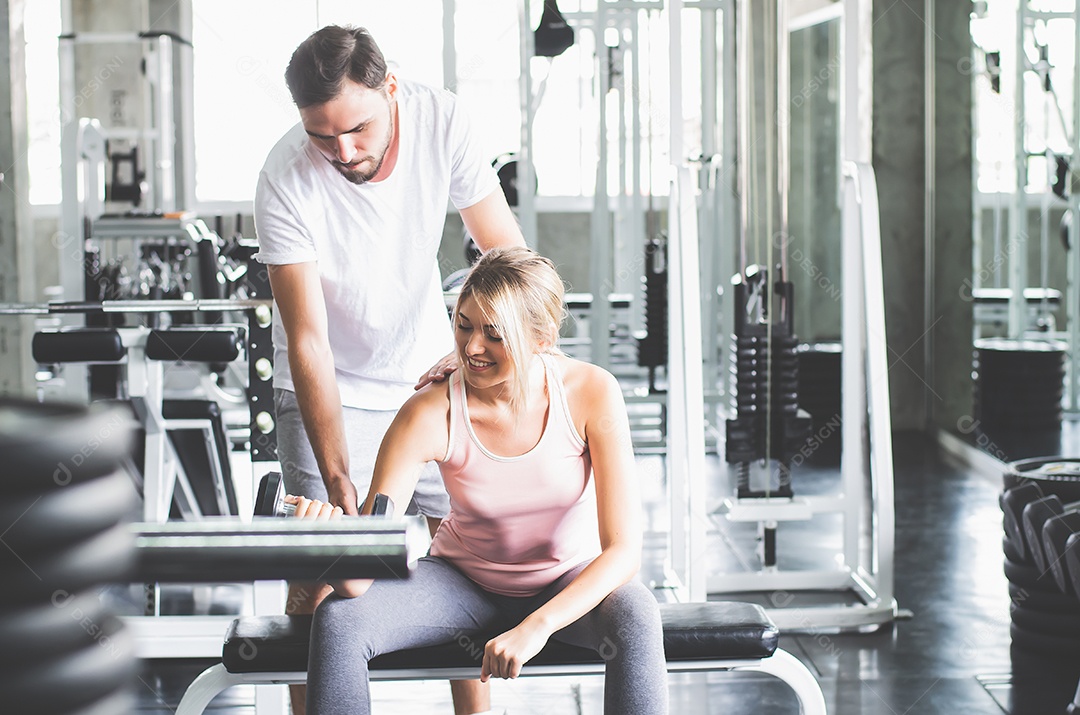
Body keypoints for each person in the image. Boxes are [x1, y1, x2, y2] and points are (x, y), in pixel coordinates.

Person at [254, 24, 524, 714]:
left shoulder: (444, 120)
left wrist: (477, 355)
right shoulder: (284, 177)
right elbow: (308, 340)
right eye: (322, 135)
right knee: (316, 574)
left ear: (390, 86)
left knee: (458, 560)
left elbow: (506, 257)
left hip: (423, 382)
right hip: (324, 388)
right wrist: (342, 482)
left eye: (357, 128)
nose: (342, 151)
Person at [290, 247, 669, 715]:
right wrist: (328, 543)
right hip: (459, 584)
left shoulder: (592, 393)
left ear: (542, 338)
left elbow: (623, 552)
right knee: (339, 619)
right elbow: (359, 581)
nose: (471, 348)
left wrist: (537, 626)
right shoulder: (428, 413)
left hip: (563, 580)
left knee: (635, 613)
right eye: (464, 325)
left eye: (494, 334)